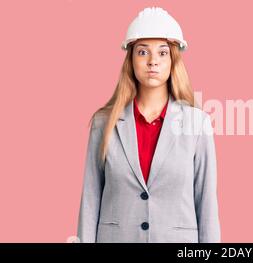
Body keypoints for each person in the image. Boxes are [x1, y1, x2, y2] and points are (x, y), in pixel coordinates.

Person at [77, 7, 220, 243]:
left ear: (173, 60)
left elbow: (206, 204)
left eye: (163, 53)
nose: (153, 61)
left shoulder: (197, 124)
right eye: (143, 52)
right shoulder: (104, 123)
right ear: (131, 59)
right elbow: (90, 199)